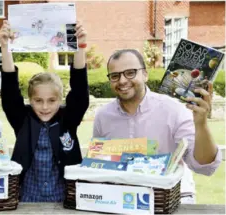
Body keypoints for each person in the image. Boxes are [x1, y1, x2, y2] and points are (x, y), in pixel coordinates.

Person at [93, 49, 222, 204]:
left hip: (172, 199)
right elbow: (98, 165)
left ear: (145, 75)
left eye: (130, 72)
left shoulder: (174, 109)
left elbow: (204, 166)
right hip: (124, 201)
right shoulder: (103, 117)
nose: (122, 81)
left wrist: (201, 125)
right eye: (115, 76)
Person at [0, 20, 89, 202]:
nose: (45, 107)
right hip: (27, 199)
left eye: (52, 100)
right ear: (30, 100)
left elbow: (79, 91)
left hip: (63, 200)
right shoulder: (23, 120)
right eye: (38, 101)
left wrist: (80, 46)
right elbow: (9, 92)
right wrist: (5, 46)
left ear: (60, 99)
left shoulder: (68, 119)